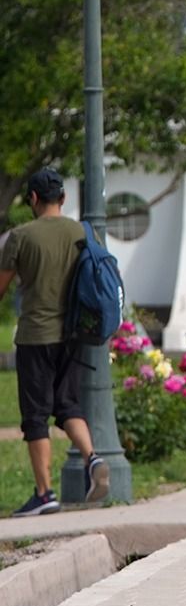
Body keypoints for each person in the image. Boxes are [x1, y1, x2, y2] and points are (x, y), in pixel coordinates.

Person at [0, 168, 109, 517]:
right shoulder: (83, 232)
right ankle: (93, 458)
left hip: (35, 336)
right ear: (62, 198)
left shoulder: (21, 236)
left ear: (32, 199)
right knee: (68, 405)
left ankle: (45, 494)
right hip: (73, 335)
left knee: (35, 416)